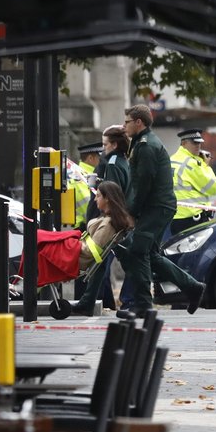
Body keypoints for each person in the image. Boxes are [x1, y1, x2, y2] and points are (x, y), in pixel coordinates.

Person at [118, 104, 207, 318]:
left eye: (127, 122)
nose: (124, 126)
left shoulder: (146, 146)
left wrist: (132, 212)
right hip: (157, 206)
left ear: (139, 122)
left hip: (155, 207)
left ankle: (143, 306)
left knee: (137, 251)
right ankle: (193, 287)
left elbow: (143, 184)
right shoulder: (141, 143)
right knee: (149, 254)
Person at [73, 125, 132, 315]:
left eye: (105, 144)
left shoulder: (113, 163)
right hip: (112, 220)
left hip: (111, 220)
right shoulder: (117, 160)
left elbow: (111, 195)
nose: (103, 149)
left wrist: (105, 219)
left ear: (114, 144)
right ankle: (88, 301)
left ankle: (133, 301)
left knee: (136, 261)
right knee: (98, 260)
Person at [170, 128, 216, 234]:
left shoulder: (172, 159)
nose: (198, 146)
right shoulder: (192, 163)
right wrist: (205, 165)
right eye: (194, 143)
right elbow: (213, 188)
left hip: (174, 217)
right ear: (183, 143)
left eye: (199, 143)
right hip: (192, 219)